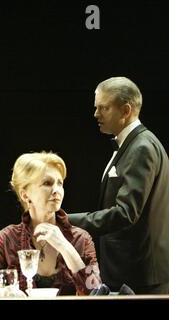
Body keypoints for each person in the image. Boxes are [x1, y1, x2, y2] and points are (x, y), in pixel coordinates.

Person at [69, 77, 169, 294]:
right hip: (132, 272)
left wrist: (66, 221)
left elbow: (125, 213)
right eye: (96, 107)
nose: (96, 114)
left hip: (140, 276)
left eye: (103, 108)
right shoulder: (136, 144)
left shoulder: (141, 147)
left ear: (126, 110)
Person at [0, 152, 101, 297]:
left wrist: (65, 246)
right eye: (47, 183)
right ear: (25, 195)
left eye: (60, 183)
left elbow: (96, 293)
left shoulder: (81, 239)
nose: (56, 190)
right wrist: (1, 297)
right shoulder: (7, 239)